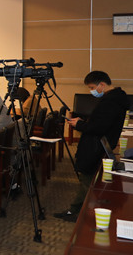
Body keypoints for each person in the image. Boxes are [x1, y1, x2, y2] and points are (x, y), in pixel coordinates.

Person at [54, 70, 128, 221]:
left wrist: (79, 124)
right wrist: (83, 122)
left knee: (87, 180)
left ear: (102, 84)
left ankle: (78, 212)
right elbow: (101, 122)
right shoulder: (115, 98)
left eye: (92, 87)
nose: (91, 91)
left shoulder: (110, 102)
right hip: (102, 143)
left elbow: (99, 128)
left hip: (96, 146)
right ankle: (78, 210)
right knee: (88, 180)